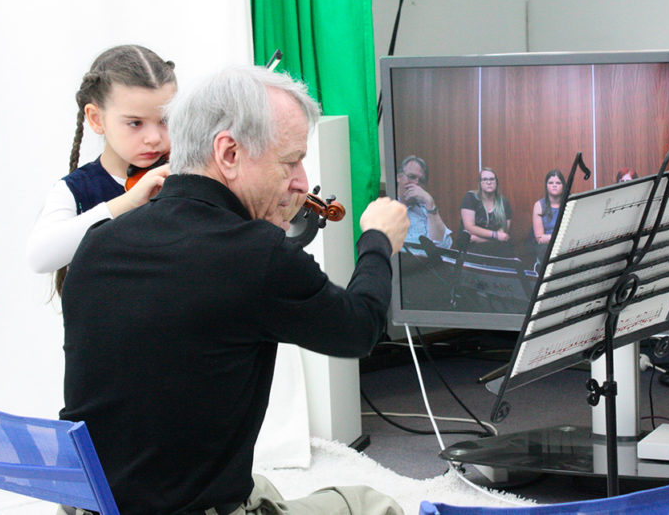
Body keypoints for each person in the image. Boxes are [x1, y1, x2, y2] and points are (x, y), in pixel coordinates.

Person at [59, 65, 409, 515]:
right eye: (290, 161)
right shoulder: (255, 257)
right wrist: (378, 241)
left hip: (92, 507)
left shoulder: (97, 244)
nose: (302, 182)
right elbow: (359, 329)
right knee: (369, 503)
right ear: (228, 153)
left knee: (259, 484)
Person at [26, 45, 176, 294]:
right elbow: (39, 257)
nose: (154, 138)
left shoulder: (186, 173)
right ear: (96, 119)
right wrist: (128, 201)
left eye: (166, 120)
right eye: (135, 123)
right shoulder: (76, 189)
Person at [396, 154, 451, 248]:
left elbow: (445, 246)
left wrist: (430, 202)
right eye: (411, 177)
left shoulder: (426, 210)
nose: (416, 183)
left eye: (421, 181)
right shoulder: (385, 209)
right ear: (399, 177)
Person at [460, 167, 513, 257]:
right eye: (484, 179)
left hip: (496, 246)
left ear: (496, 182)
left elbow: (503, 233)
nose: (489, 182)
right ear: (480, 183)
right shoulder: (470, 197)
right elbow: (469, 227)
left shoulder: (504, 202)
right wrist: (495, 235)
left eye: (492, 179)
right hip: (472, 247)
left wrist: (478, 238)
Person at [530, 169, 566, 270]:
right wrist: (559, 236)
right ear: (546, 186)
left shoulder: (569, 202)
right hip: (546, 248)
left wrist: (550, 237)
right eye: (551, 182)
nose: (554, 185)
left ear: (563, 186)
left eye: (558, 183)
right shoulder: (538, 205)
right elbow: (540, 238)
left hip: (566, 245)